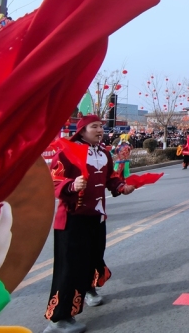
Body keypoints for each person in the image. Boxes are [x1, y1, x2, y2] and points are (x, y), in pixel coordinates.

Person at [44, 115, 135, 333]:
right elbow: (54, 179)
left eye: (101, 127)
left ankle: (89, 291)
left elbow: (110, 178)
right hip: (72, 219)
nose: (100, 130)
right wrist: (72, 184)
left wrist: (121, 186)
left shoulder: (103, 153)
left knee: (94, 257)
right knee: (69, 268)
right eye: (94, 127)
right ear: (82, 130)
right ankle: (59, 319)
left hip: (97, 216)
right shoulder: (68, 151)